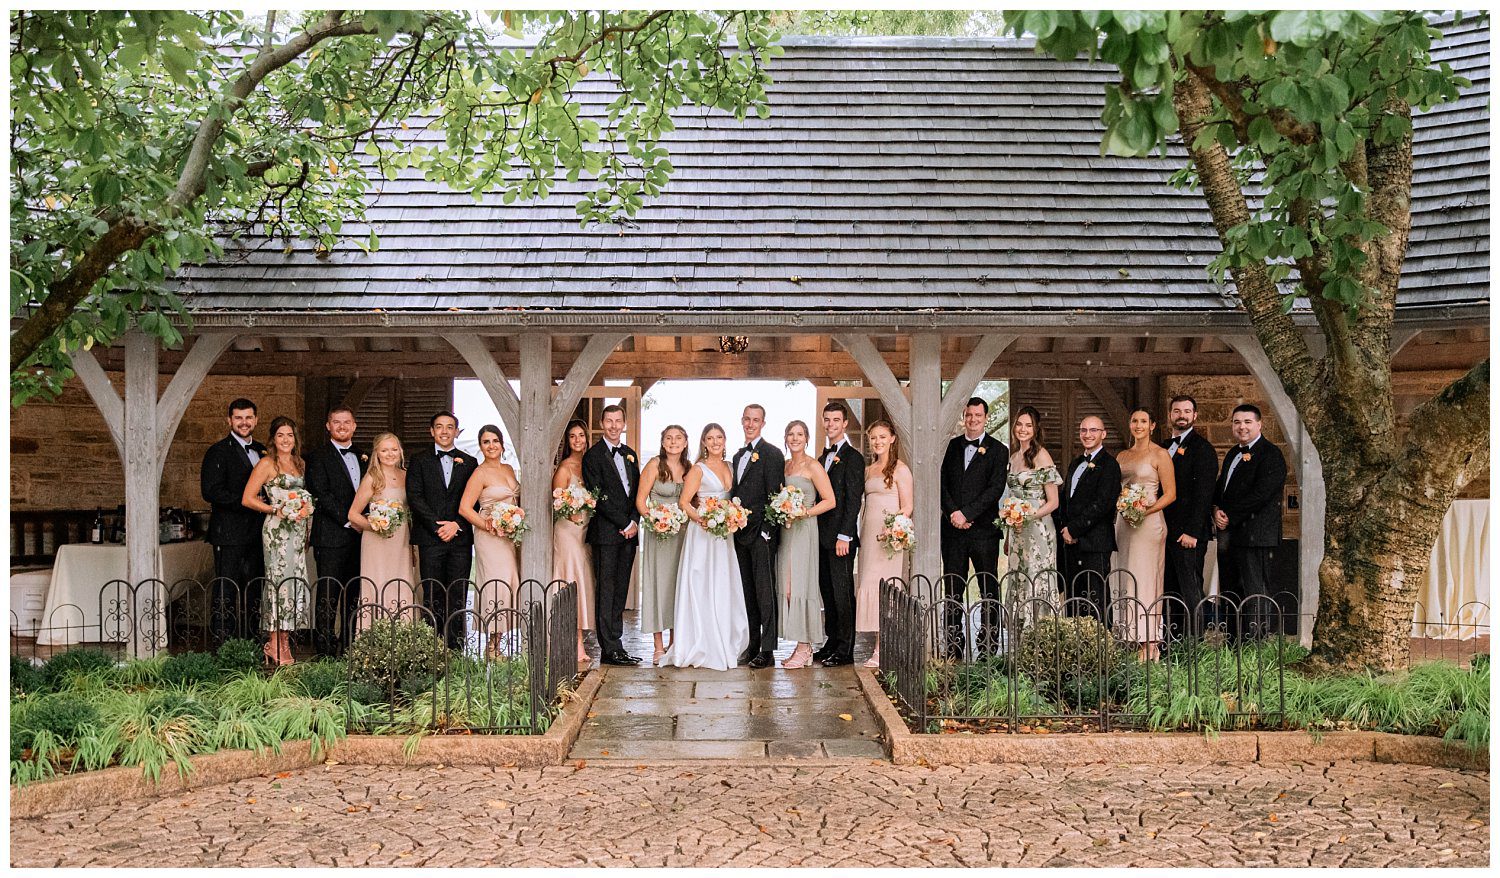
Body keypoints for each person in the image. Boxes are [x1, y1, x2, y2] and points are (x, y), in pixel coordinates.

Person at [660, 423, 750, 670]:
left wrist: (732, 516)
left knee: (723, 583)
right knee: (701, 584)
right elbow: (684, 502)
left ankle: (724, 637)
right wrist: (704, 519)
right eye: (709, 438)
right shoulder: (698, 469)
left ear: (724, 439)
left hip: (724, 536)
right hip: (702, 534)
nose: (715, 442)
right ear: (703, 442)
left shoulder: (731, 466)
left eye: (719, 437)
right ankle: (701, 640)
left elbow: (733, 498)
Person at [938, 397, 1009, 658]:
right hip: (952, 531)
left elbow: (995, 489)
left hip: (984, 532)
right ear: (963, 417)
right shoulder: (950, 447)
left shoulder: (999, 450)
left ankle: (988, 644)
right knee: (953, 588)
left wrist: (967, 513)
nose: (973, 419)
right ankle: (953, 643)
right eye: (969, 415)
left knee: (988, 587)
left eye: (978, 415)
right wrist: (953, 513)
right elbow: (941, 483)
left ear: (986, 417)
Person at [240, 416, 313, 666]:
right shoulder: (266, 464)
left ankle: (284, 640)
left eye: (290, 435)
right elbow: (248, 498)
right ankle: (273, 641)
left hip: (297, 530)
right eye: (280, 435)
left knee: (295, 583)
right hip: (277, 532)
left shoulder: (299, 463)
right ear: (273, 438)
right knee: (278, 583)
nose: (285, 440)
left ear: (295, 439)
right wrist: (274, 510)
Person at [1212, 404, 1288, 640]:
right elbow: (1222, 486)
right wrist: (1215, 509)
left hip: (1257, 535)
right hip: (1231, 536)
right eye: (1236, 422)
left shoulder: (1271, 455)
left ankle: (1256, 643)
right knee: (1231, 590)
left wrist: (1230, 515)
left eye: (1247, 422)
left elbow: (1261, 494)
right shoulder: (1234, 453)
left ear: (1259, 424)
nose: (1241, 427)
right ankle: (1234, 642)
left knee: (1255, 592)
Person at [406, 411, 478, 650]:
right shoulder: (418, 461)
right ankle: (433, 647)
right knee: (432, 593)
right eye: (439, 427)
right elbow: (415, 497)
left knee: (457, 592)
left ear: (456, 431)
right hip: (430, 537)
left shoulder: (469, 462)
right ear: (432, 431)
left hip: (459, 538)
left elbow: (474, 501)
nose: (444, 431)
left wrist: (456, 524)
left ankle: (456, 647)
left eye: (449, 427)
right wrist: (438, 526)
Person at [200, 398, 266, 645]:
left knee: (255, 588)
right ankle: (223, 641)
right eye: (238, 418)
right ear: (229, 420)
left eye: (248, 417)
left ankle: (250, 639)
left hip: (257, 533)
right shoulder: (218, 451)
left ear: (256, 420)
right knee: (226, 588)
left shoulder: (263, 451)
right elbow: (211, 491)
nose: (244, 422)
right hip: (228, 533)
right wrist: (247, 501)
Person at [1113, 407, 1177, 660]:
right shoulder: (1122, 455)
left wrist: (1145, 510)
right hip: (1125, 522)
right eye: (1134, 421)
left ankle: (1150, 642)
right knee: (1126, 578)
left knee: (1147, 579)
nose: (1138, 425)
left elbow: (1170, 494)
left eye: (1143, 421)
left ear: (1152, 426)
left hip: (1148, 523)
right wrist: (1126, 509)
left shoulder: (1160, 455)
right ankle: (1129, 636)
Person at [302, 406, 365, 656]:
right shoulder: (317, 457)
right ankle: (325, 649)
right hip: (331, 536)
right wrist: (350, 520)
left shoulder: (364, 456)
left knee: (354, 593)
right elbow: (321, 494)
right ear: (328, 426)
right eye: (336, 422)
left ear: (354, 426)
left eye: (346, 422)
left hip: (360, 538)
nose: (341, 426)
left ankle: (350, 645)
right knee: (328, 594)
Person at [583, 404, 642, 666]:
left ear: (624, 423)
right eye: (609, 421)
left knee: (620, 590)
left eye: (618, 421)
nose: (614, 426)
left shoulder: (630, 455)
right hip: (606, 533)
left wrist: (635, 521)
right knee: (606, 590)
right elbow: (598, 497)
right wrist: (623, 522)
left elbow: (637, 493)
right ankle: (608, 649)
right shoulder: (592, 456)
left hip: (628, 533)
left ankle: (617, 644)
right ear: (602, 423)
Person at [730, 403, 786, 669]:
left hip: (762, 536)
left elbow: (776, 497)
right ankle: (753, 645)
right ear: (742, 421)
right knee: (748, 593)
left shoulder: (772, 454)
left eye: (756, 420)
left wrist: (767, 531)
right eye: (747, 419)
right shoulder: (738, 455)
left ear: (763, 423)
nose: (751, 424)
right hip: (739, 534)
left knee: (765, 592)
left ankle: (768, 648)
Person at [777, 420, 837, 669]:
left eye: (799, 434)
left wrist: (805, 513)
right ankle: (798, 644)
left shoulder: (814, 466)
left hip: (805, 529)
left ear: (807, 438)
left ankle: (805, 646)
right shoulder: (785, 465)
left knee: (801, 585)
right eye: (790, 434)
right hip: (786, 531)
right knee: (787, 587)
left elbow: (830, 500)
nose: (794, 438)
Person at [855, 419, 913, 669]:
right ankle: (876, 642)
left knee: (885, 588)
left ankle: (883, 648)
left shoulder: (900, 469)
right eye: (873, 438)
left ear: (892, 439)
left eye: (882, 437)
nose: (877, 442)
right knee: (867, 583)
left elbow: (908, 505)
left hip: (888, 539)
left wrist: (893, 528)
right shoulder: (869, 470)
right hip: (869, 535)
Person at [460, 425, 520, 656]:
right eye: (486, 442)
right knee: (495, 583)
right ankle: (491, 646)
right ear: (481, 446)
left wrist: (514, 521)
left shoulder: (509, 468)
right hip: (489, 536)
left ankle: (499, 641)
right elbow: (465, 508)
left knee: (508, 582)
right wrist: (488, 524)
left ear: (502, 444)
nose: (491, 445)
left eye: (495, 441)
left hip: (509, 535)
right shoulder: (480, 473)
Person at [1162, 395, 1219, 641]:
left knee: (1190, 590)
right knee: (1171, 590)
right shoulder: (1164, 447)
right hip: (1166, 531)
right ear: (1170, 416)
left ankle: (1193, 644)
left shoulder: (1202, 448)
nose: (1181, 415)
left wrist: (1193, 531)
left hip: (1189, 534)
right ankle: (1173, 641)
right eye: (1177, 411)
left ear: (1195, 416)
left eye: (1187, 411)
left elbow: (1204, 494)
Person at [812, 401, 865, 667]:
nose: (830, 424)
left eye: (836, 420)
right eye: (827, 420)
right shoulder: (821, 459)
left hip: (841, 539)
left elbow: (854, 499)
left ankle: (845, 650)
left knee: (843, 594)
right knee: (828, 593)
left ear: (845, 424)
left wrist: (845, 535)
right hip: (821, 537)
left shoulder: (854, 458)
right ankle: (831, 642)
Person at [1055, 415, 1122, 621]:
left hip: (1095, 541)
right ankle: (1078, 648)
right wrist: (1065, 529)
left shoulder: (1109, 465)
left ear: (1104, 434)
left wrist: (1074, 529)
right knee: (1075, 597)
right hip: (1071, 542)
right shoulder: (1076, 463)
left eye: (1093, 430)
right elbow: (1066, 500)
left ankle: (1102, 647)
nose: (1087, 434)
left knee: (1096, 597)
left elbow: (1102, 504)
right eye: (1084, 430)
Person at [1000, 406, 1061, 627]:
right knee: (1018, 577)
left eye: (1028, 425)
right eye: (1019, 424)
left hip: (1039, 529)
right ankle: (1020, 638)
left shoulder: (1041, 455)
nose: (1022, 429)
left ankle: (1040, 635)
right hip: (1017, 530)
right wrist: (1009, 534)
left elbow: (1053, 502)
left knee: (1037, 576)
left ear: (1036, 430)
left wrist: (1029, 515)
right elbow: (1011, 497)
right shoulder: (1014, 457)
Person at [347, 432, 415, 629]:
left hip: (401, 539)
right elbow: (353, 514)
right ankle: (373, 637)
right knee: (378, 582)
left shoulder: (406, 475)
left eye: (394, 449)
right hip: (377, 541)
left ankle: (402, 635)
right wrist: (376, 526)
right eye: (384, 450)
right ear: (377, 453)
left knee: (401, 582)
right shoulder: (372, 478)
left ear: (400, 451)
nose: (390, 454)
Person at [635, 425, 690, 665]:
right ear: (662, 441)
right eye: (669, 438)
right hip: (659, 535)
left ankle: (675, 642)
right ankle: (658, 646)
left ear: (686, 442)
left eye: (678, 438)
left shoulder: (689, 468)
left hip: (682, 535)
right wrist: (656, 521)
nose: (673, 442)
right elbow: (640, 501)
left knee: (678, 586)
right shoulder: (654, 465)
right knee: (658, 585)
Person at [553, 419, 597, 664]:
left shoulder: (589, 464)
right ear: (567, 441)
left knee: (584, 582)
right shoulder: (565, 469)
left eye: (581, 435)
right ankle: (575, 642)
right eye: (573, 436)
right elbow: (557, 501)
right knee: (571, 580)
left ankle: (581, 638)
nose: (578, 440)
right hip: (568, 531)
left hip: (585, 531)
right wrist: (571, 510)